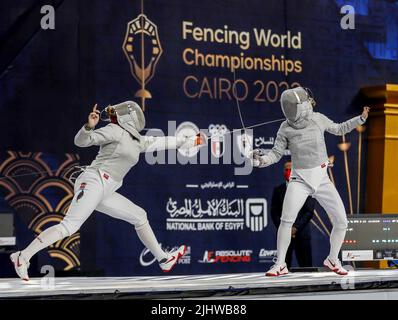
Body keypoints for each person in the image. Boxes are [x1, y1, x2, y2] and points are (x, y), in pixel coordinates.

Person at [10, 101, 203, 281]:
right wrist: (88, 127)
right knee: (69, 226)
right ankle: (23, 256)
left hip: (106, 189)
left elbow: (165, 142)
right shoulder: (114, 130)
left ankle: (163, 259)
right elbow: (82, 141)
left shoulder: (138, 141)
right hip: (94, 180)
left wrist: (193, 140)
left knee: (139, 215)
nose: (114, 114)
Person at [251, 87, 370, 276]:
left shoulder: (318, 119)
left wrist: (360, 119)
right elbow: (275, 154)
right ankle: (280, 264)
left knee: (341, 221)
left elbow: (339, 129)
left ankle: (332, 259)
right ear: (301, 106)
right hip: (299, 180)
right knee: (286, 220)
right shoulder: (285, 128)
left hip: (322, 179)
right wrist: (261, 160)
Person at [271, 160, 315, 269]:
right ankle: (284, 286)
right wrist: (284, 228)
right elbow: (274, 211)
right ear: (283, 171)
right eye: (286, 169)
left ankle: (308, 286)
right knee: (282, 266)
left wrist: (295, 228)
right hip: (284, 236)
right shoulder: (278, 190)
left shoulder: (307, 189)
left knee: (306, 267)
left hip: (302, 233)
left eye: (291, 169)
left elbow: (308, 212)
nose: (288, 172)